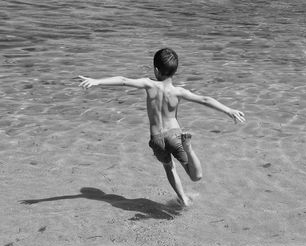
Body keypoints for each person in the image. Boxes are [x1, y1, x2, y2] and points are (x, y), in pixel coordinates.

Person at [79, 48, 245, 206]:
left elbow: (123, 80)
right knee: (196, 176)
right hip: (175, 135)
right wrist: (228, 110)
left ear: (156, 70)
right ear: (175, 71)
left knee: (169, 167)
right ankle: (189, 148)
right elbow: (205, 99)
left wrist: (97, 81)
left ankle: (183, 199)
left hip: (157, 138)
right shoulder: (179, 92)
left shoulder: (148, 84)